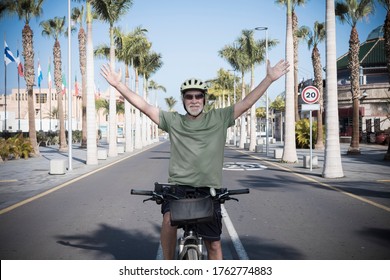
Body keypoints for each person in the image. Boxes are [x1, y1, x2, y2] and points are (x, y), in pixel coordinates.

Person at [100, 59, 289, 259]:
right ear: (183, 100)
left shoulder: (219, 118)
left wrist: (269, 79)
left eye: (199, 96)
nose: (194, 100)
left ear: (204, 99)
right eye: (189, 96)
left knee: (214, 245)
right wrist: (118, 85)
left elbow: (247, 102)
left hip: (208, 190)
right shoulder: (173, 121)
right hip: (178, 189)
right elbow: (145, 107)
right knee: (167, 221)